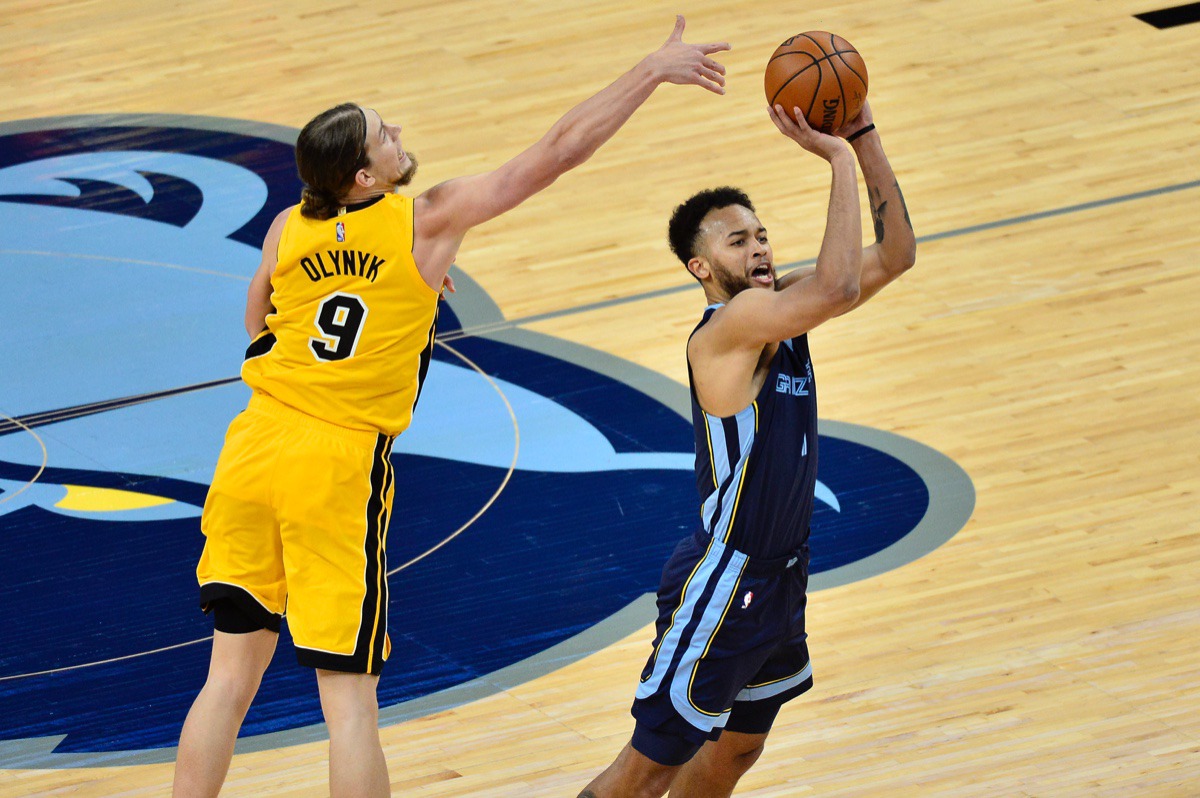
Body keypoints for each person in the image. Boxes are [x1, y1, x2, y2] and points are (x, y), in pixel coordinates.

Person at [171, 17, 729, 798]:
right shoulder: (425, 218)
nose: (396, 131)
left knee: (227, 679)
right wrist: (650, 70)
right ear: (364, 178)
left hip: (254, 445)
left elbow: (259, 319)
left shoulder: (286, 227)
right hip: (333, 465)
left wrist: (389, 297)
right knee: (349, 701)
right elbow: (558, 151)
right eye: (381, 134)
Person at [578, 99, 916, 798]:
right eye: (738, 241)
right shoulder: (730, 327)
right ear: (702, 267)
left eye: (762, 234)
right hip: (725, 582)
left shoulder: (782, 310)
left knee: (736, 752)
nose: (759, 247)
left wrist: (865, 136)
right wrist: (835, 159)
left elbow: (897, 255)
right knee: (643, 775)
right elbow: (840, 283)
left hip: (781, 577)